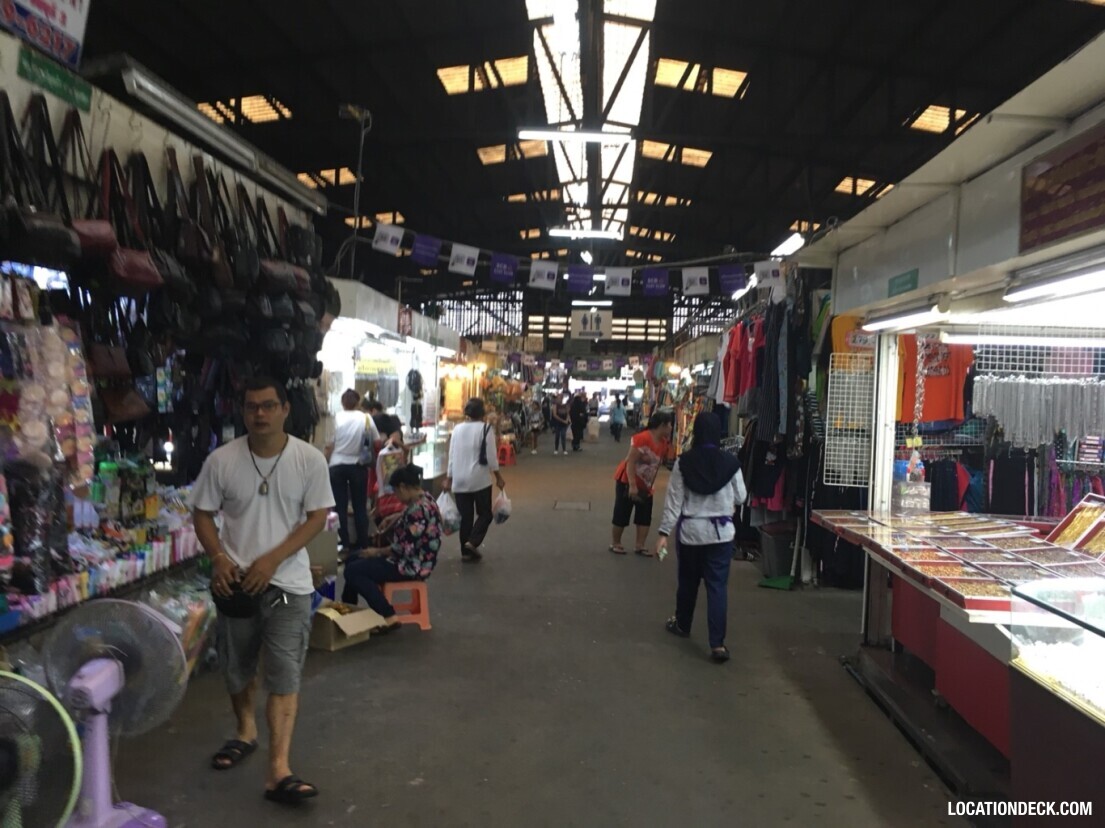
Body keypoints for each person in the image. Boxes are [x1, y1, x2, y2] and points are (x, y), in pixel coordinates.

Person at [193, 377, 334, 805]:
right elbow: (201, 514)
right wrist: (219, 557)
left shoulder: (308, 460)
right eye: (253, 406)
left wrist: (274, 558)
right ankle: (245, 731)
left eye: (269, 405)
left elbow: (317, 516)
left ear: (285, 409)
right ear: (243, 411)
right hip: (235, 584)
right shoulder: (221, 461)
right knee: (237, 670)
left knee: (284, 674)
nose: (260, 414)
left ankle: (279, 771)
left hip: (288, 584)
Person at [655, 412, 747, 663]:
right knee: (717, 587)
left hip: (691, 535)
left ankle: (683, 624)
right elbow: (741, 497)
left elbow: (673, 502)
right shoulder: (731, 463)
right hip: (721, 535)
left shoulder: (684, 463)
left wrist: (663, 533)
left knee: (688, 582)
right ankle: (717, 644)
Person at [342, 465, 442, 627]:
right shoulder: (426, 499)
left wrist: (376, 552)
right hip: (416, 559)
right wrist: (397, 516)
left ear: (403, 487)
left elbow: (402, 548)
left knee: (353, 570)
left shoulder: (418, 510)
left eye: (395, 492)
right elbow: (413, 523)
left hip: (410, 564)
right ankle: (348, 608)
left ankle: (388, 614)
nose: (396, 496)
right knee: (353, 559)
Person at [443, 398, 506, 562]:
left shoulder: (457, 429)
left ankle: (466, 552)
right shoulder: (486, 429)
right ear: (482, 412)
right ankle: (472, 542)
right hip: (480, 480)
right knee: (485, 514)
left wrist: (449, 478)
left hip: (459, 479)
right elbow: (492, 457)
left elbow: (452, 456)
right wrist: (498, 476)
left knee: (466, 517)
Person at [610, 410, 674, 556]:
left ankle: (640, 545)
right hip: (627, 480)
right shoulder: (642, 438)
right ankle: (616, 543)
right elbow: (630, 462)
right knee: (622, 512)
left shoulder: (664, 443)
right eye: (669, 425)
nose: (671, 428)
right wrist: (632, 484)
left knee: (645, 515)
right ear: (662, 425)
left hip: (646, 483)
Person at [325, 389, 379, 556]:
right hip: (358, 465)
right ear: (358, 403)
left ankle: (345, 543)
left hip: (336, 465)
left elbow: (329, 445)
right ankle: (363, 543)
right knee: (359, 506)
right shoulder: (366, 418)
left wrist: (324, 463)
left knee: (339, 507)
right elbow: (377, 442)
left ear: (342, 403)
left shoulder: (335, 418)